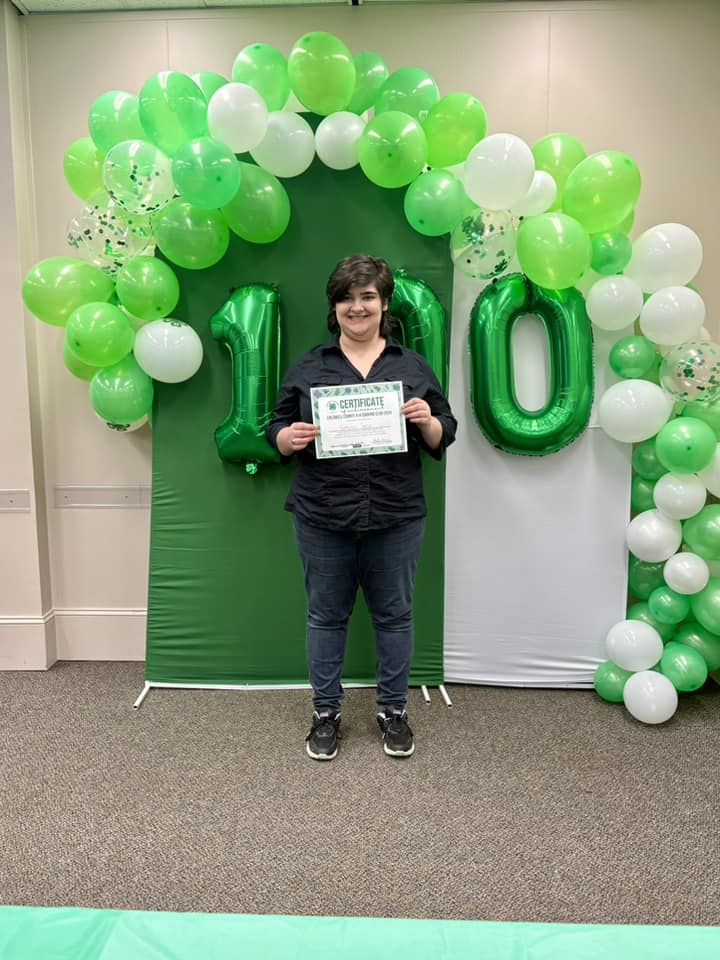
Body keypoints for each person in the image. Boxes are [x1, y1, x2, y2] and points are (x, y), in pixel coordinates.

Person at [266, 254, 457, 761]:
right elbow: (275, 428)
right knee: (326, 617)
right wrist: (288, 437)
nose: (358, 307)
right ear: (335, 306)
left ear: (384, 303)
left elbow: (446, 430)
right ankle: (325, 713)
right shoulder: (309, 365)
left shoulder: (412, 366)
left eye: (368, 297)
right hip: (321, 513)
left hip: (395, 514)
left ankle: (393, 710)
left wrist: (426, 421)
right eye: (347, 298)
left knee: (394, 617)